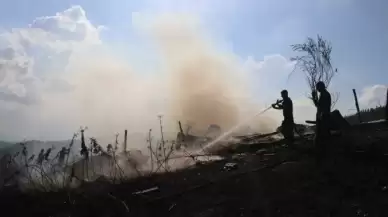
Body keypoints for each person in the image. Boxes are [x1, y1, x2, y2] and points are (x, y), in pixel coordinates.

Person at [312, 81, 332, 163]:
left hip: (323, 119)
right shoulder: (324, 94)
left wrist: (314, 97)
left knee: (321, 138)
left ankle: (323, 158)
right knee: (322, 138)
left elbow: (319, 106)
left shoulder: (324, 95)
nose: (317, 89)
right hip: (323, 118)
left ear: (321, 86)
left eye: (318, 87)